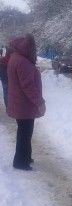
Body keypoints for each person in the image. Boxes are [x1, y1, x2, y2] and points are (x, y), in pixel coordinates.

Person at [7, 34, 46, 171]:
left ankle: (25, 157)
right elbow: (28, 85)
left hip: (20, 103)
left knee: (25, 132)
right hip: (24, 104)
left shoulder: (16, 58)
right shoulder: (22, 62)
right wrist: (39, 102)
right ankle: (20, 161)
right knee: (25, 133)